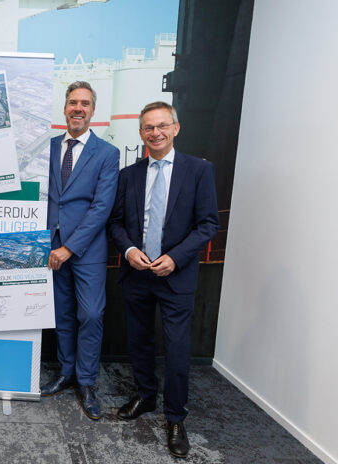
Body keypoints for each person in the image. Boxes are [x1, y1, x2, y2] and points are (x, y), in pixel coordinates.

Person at [107, 101, 219, 458]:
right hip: (137, 273)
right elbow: (116, 223)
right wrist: (128, 251)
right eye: (148, 127)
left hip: (176, 275)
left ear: (176, 128)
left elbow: (208, 224)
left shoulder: (199, 170)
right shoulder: (129, 175)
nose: (155, 133)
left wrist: (175, 257)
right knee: (139, 341)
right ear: (141, 132)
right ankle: (145, 396)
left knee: (177, 348)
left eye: (162, 126)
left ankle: (175, 417)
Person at [42, 81, 120, 420]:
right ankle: (66, 371)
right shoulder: (47, 148)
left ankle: (86, 381)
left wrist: (69, 248)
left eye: (85, 103)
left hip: (86, 250)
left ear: (92, 110)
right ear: (64, 108)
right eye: (73, 102)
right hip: (49, 246)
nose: (78, 108)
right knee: (61, 313)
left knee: (90, 315)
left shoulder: (107, 154)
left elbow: (102, 208)